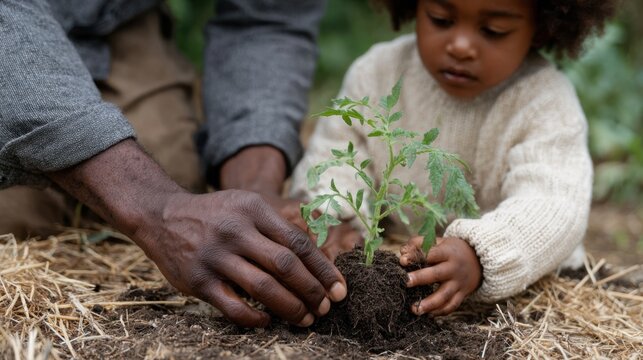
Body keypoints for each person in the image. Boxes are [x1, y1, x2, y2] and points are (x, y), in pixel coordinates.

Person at [0, 0, 346, 328]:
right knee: (15, 220)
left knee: (181, 179)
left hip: (109, 21)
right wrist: (159, 209)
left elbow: (268, 17)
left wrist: (255, 187)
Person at [290, 0, 617, 317]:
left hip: (521, 302)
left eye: (494, 30)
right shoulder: (377, 74)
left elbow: (553, 205)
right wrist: (332, 217)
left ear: (543, 26)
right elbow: (338, 157)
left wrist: (480, 253)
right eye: (441, 19)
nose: (460, 45)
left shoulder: (546, 102)